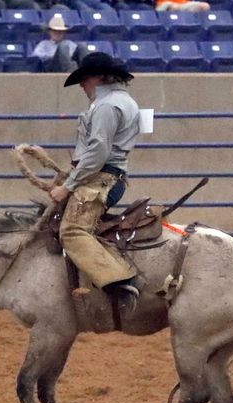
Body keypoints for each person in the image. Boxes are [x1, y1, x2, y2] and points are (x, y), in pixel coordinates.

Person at [50, 52, 142, 311]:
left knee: (72, 230)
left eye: (85, 78)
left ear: (100, 77)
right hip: (107, 175)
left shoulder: (106, 107)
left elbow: (98, 151)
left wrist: (68, 185)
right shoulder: (123, 101)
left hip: (101, 179)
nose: (81, 84)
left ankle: (120, 282)